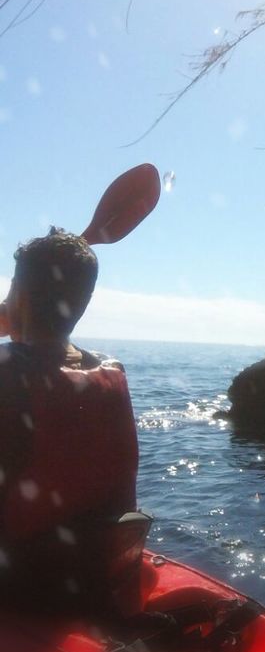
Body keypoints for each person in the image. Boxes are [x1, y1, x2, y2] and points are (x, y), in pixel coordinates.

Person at [0, 228, 142, 616]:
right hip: (97, 573)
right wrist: (20, 310)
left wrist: (17, 311)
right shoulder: (112, 371)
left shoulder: (7, 375)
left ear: (21, 295)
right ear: (85, 301)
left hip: (23, 587)